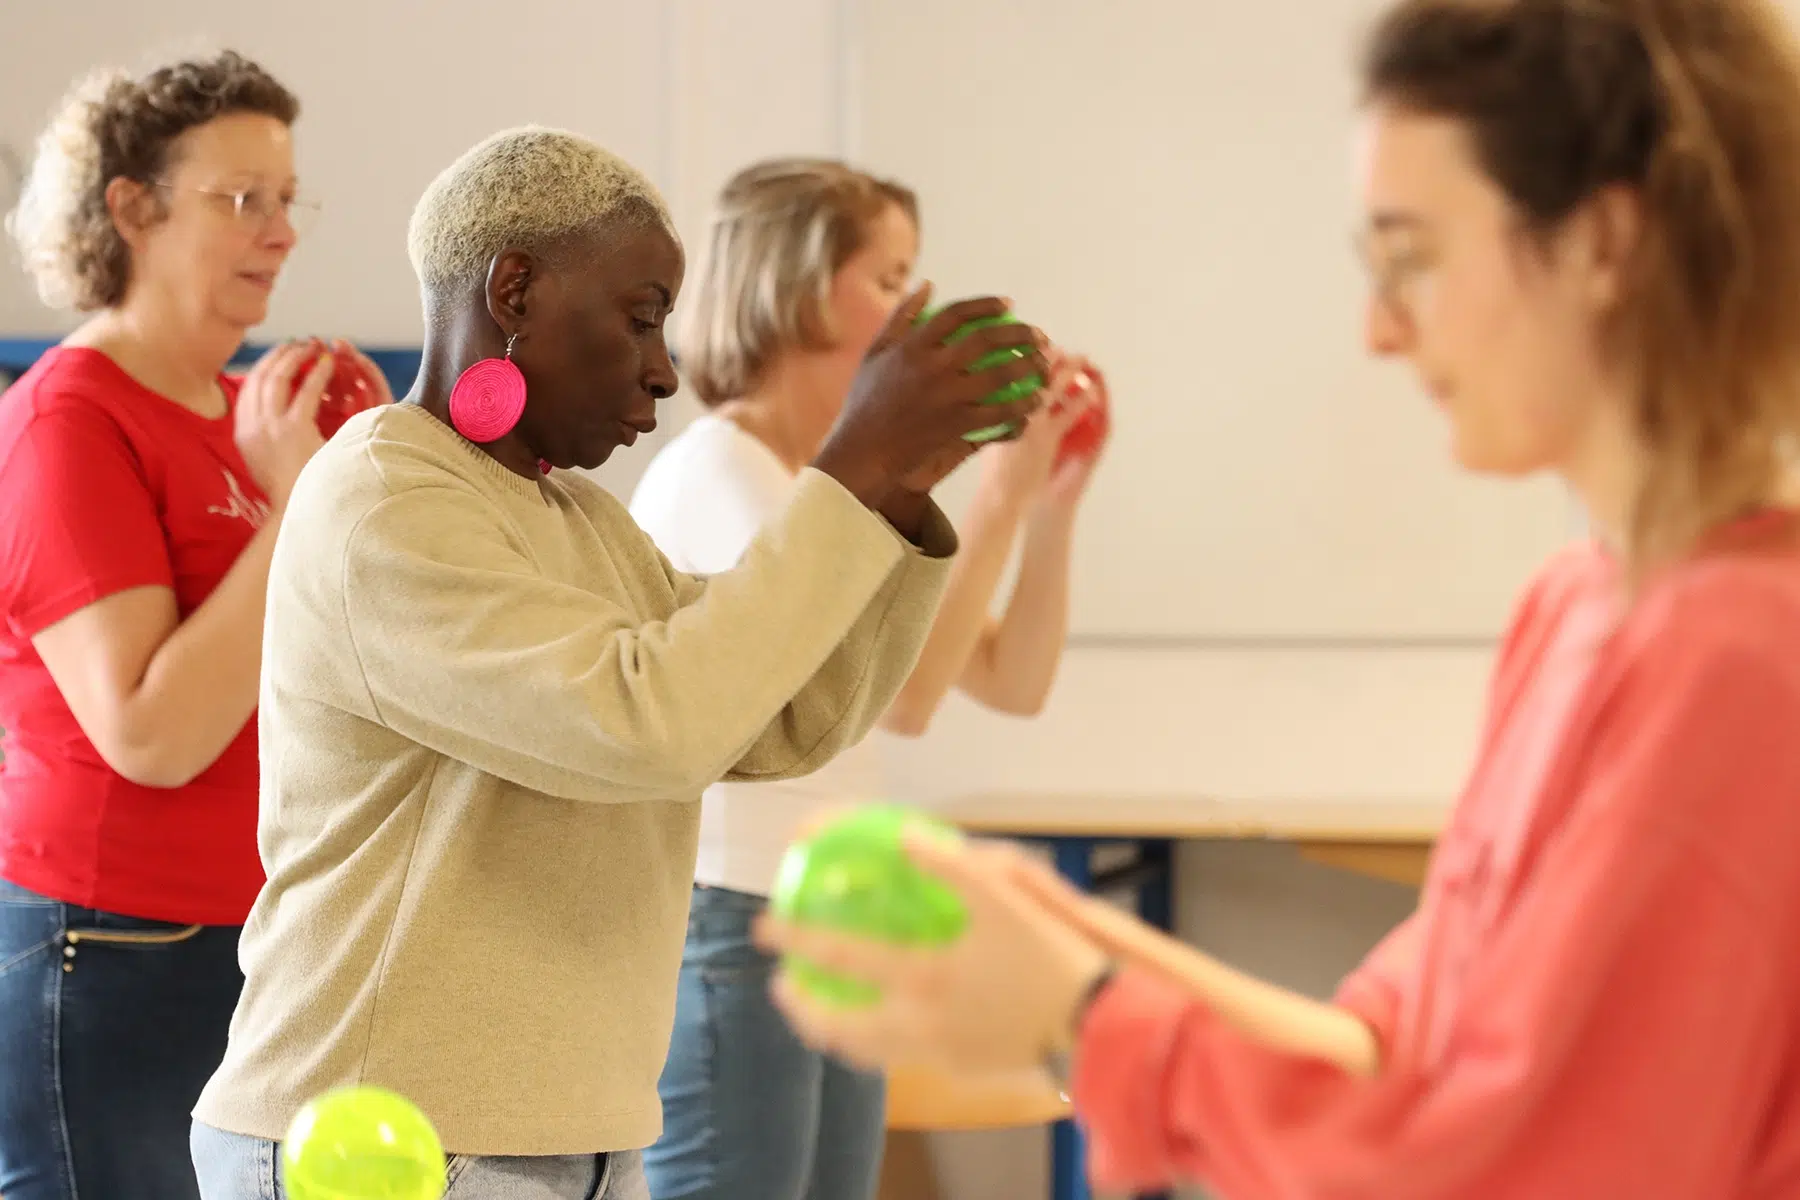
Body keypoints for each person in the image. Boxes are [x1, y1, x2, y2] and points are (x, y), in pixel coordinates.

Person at [756, 1, 1800, 1196]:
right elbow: (1390, 1055)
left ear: (1601, 244)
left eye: (1412, 260)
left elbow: (1495, 1164)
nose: (1378, 330)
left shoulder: (1739, 655)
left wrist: (1079, 1013)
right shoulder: (1577, 606)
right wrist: (1065, 933)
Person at [185, 126, 1048, 1200]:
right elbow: (651, 725)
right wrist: (849, 469)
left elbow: (790, 715)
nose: (662, 368)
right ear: (514, 290)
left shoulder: (581, 517)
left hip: (570, 1138)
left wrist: (895, 492)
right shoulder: (386, 499)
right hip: (385, 1139)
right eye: (640, 319)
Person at [626, 158, 1108, 1200]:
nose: (912, 310)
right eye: (888, 278)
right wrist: (988, 505)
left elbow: (1011, 679)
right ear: (795, 286)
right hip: (730, 920)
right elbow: (903, 697)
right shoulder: (724, 472)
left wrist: (1043, 504)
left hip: (825, 919)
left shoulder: (832, 491)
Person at [0, 52, 382, 1200]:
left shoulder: (254, 415)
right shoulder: (66, 423)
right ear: (132, 207)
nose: (280, 231)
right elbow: (152, 736)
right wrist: (296, 506)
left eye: (286, 199)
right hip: (112, 946)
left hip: (258, 935)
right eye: (239, 198)